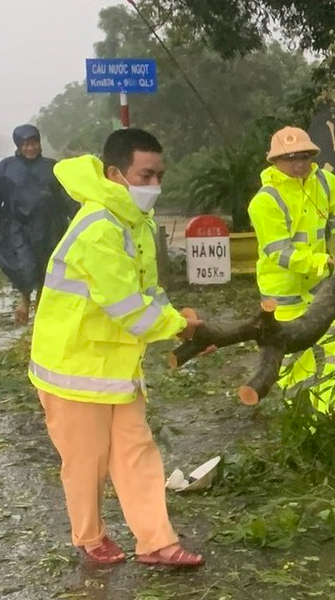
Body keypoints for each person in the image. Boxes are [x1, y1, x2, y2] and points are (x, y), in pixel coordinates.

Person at [30, 127, 205, 568]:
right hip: (72, 367)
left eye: (158, 176)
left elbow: (148, 292)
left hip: (117, 364)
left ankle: (157, 542)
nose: (154, 186)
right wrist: (177, 328)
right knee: (86, 463)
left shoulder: (136, 223)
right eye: (145, 175)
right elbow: (127, 307)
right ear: (115, 173)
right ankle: (90, 537)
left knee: (137, 450)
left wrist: (185, 328)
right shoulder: (99, 229)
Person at [248, 126, 335, 414]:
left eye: (303, 156)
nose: (298, 163)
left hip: (323, 285)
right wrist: (323, 262)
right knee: (294, 358)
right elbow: (280, 252)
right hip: (283, 291)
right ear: (274, 161)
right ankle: (303, 420)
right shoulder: (265, 201)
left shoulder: (325, 182)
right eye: (290, 158)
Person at [0, 124, 74, 324]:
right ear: (18, 145)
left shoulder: (53, 167)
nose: (30, 148)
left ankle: (41, 312)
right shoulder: (6, 168)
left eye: (34, 143)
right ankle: (24, 298)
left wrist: (80, 219)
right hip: (16, 227)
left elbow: (67, 198)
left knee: (47, 268)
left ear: (39, 143)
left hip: (50, 226)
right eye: (25, 144)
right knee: (23, 265)